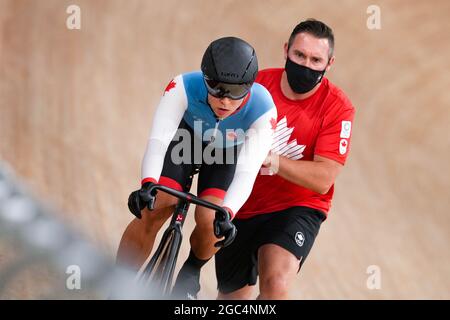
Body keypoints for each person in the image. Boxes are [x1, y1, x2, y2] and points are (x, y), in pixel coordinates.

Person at [116, 36, 277, 299]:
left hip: (224, 153)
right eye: (216, 88)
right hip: (185, 141)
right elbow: (158, 142)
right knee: (155, 206)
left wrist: (228, 211)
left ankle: (192, 269)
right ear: (204, 78)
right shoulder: (182, 85)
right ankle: (118, 282)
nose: (225, 101)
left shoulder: (263, 109)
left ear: (250, 87)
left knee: (211, 220)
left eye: (236, 93)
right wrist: (148, 184)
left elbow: (247, 172)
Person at [215, 19, 356, 299]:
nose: (306, 65)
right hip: (242, 203)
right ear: (286, 51)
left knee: (276, 284)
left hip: (295, 206)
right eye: (299, 55)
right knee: (233, 299)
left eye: (316, 59)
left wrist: (270, 159)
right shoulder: (256, 86)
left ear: (329, 64)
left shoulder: (338, 108)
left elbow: (323, 178)